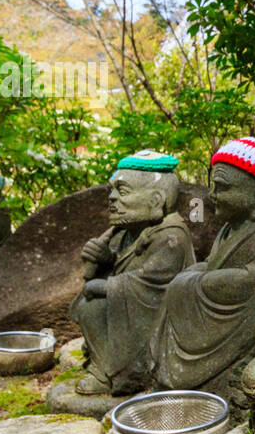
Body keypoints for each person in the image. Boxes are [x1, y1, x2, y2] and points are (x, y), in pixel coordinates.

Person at [150, 138, 255, 395]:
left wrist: (194, 283)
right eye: (213, 187)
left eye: (222, 188)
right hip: (213, 309)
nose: (212, 196)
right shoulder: (230, 228)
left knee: (182, 285)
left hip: (240, 331)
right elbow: (213, 264)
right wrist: (198, 275)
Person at [69, 150, 194, 396]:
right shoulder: (127, 232)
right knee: (89, 305)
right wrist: (104, 262)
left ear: (157, 200)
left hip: (155, 318)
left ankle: (114, 373)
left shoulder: (171, 235)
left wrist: (105, 286)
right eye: (112, 191)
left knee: (92, 307)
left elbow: (151, 283)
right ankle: (103, 366)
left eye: (123, 191)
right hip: (129, 307)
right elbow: (124, 268)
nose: (112, 198)